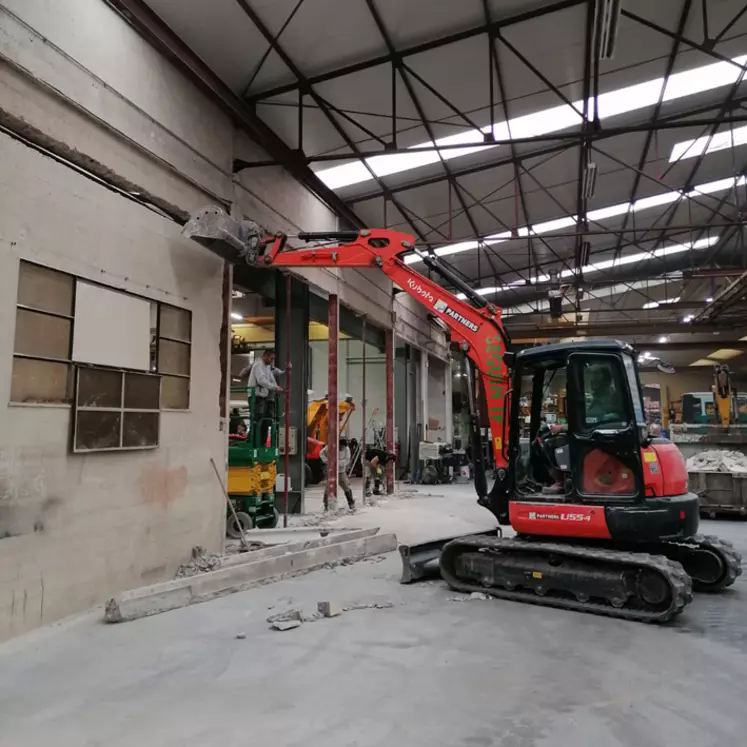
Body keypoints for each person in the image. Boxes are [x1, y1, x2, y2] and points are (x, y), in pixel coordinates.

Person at [239, 349, 284, 421]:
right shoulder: (258, 365)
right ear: (265, 356)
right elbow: (261, 380)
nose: (272, 360)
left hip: (263, 397)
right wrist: (275, 388)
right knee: (257, 420)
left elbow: (272, 379)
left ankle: (260, 431)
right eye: (271, 358)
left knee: (264, 420)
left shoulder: (267, 367)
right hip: (256, 396)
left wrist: (277, 387)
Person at [320, 437, 355, 511]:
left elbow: (347, 459)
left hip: (341, 471)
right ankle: (326, 505)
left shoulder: (346, 449)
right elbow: (321, 453)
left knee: (346, 487)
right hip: (331, 471)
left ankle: (351, 503)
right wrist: (327, 461)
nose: (342, 449)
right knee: (328, 488)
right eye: (341, 447)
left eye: (343, 447)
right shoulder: (330, 447)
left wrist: (339, 464)